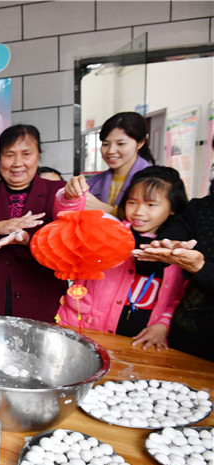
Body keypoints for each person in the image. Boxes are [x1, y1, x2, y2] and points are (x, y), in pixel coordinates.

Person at [0, 124, 84, 323]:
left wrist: (28, 241)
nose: (17, 163)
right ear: (0, 158)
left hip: (39, 300)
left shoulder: (57, 192)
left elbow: (65, 250)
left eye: (26, 154)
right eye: (9, 155)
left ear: (38, 156)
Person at [58, 167, 188, 350]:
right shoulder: (108, 230)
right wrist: (69, 198)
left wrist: (164, 324)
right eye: (132, 202)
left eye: (151, 205)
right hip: (85, 328)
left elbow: (179, 297)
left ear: (173, 207)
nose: (139, 212)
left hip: (141, 343)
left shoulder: (179, 249)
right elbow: (68, 221)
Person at [133, 168, 214, 360]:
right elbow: (160, 251)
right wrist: (165, 248)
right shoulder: (201, 208)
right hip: (185, 336)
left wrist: (201, 269)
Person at [66, 112, 155, 214]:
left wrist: (109, 211)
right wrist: (68, 195)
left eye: (120, 144)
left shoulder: (156, 181)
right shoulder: (93, 182)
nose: (111, 151)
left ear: (140, 143)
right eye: (105, 144)